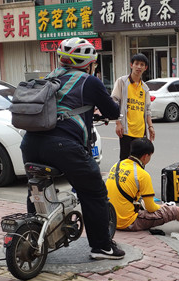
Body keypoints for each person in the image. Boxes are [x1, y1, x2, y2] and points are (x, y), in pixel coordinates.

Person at [19, 37, 125, 260]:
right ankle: (102, 247)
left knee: (37, 189)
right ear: (89, 63)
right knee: (93, 191)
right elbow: (113, 112)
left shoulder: (49, 77)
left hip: (29, 143)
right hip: (62, 146)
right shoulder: (89, 81)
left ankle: (35, 239)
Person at [107, 138, 179, 231]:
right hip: (127, 223)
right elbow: (151, 208)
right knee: (174, 210)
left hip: (111, 218)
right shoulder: (142, 174)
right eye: (150, 156)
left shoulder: (116, 165)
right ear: (145, 156)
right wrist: (164, 207)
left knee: (145, 199)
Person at [111, 54, 155, 160]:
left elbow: (147, 110)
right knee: (125, 161)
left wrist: (150, 127)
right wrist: (118, 123)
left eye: (142, 64)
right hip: (126, 130)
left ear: (145, 68)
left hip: (140, 131)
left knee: (140, 161)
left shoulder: (145, 88)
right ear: (131, 65)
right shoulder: (122, 82)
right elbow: (114, 102)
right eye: (136, 64)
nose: (139, 67)